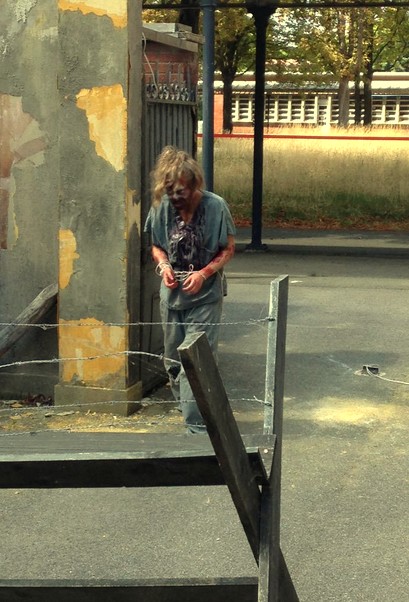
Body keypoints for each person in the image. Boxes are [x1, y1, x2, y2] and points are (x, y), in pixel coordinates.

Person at [144, 146, 236, 433]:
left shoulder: (216, 206)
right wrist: (164, 266)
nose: (175, 198)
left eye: (180, 191)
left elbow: (228, 248)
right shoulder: (161, 206)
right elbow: (156, 245)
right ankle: (189, 408)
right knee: (173, 361)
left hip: (205, 296)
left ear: (194, 184)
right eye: (169, 191)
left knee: (195, 361)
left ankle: (197, 427)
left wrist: (204, 273)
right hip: (172, 296)